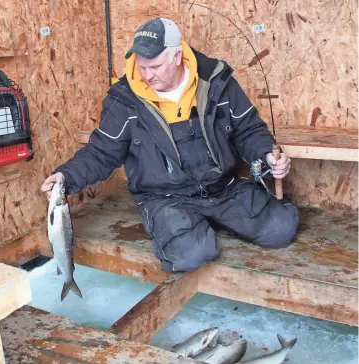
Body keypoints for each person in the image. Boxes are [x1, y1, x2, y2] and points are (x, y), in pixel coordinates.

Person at [41, 18, 299, 272]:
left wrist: (267, 156)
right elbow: (101, 152)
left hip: (223, 188)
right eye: (141, 66)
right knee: (191, 254)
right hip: (165, 198)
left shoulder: (216, 82)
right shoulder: (124, 99)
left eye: (154, 66)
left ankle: (210, 220)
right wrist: (66, 176)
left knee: (281, 228)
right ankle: (192, 228)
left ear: (177, 56)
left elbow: (249, 129)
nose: (147, 75)